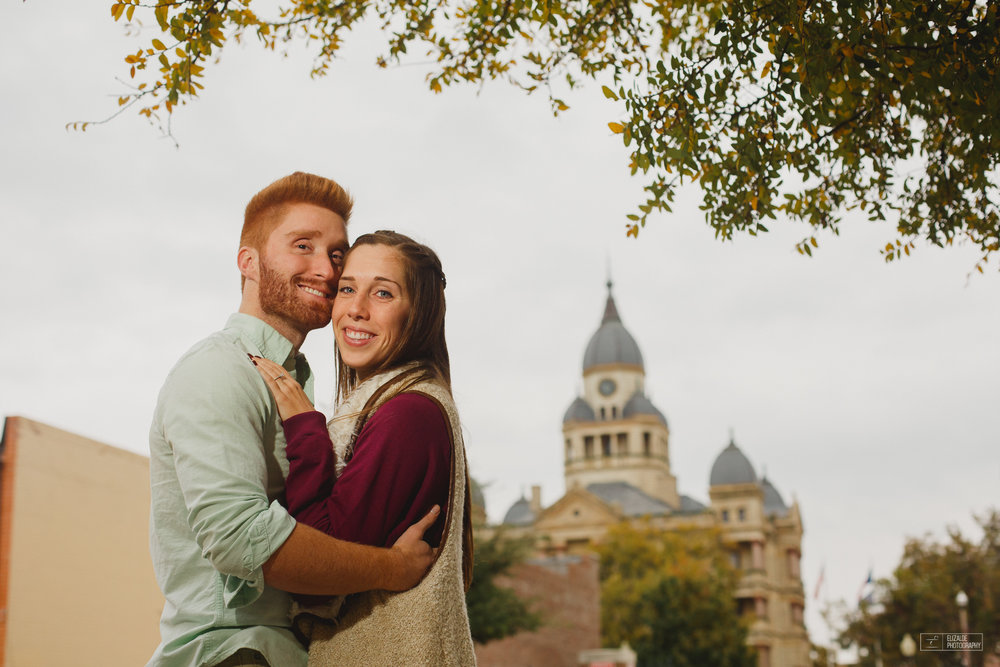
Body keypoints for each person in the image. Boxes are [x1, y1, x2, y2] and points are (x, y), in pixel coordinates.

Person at [147, 174, 438, 667]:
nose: (326, 267)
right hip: (233, 651)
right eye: (302, 245)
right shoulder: (219, 369)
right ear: (249, 262)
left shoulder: (295, 385)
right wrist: (391, 568)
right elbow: (244, 543)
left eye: (337, 254)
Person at [251, 230, 476, 665]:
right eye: (348, 289)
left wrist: (304, 429)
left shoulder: (407, 414)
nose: (355, 309)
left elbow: (317, 564)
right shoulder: (402, 403)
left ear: (418, 313)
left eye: (383, 293)